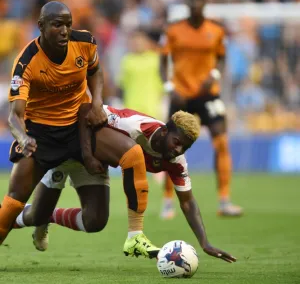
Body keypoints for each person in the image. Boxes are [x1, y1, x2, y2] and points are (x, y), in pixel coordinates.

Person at [15, 104, 237, 264]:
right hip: (70, 148)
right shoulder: (132, 125)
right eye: (177, 143)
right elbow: (85, 113)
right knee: (134, 154)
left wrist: (205, 243)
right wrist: (86, 154)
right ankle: (135, 236)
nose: (178, 150)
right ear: (165, 130)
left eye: (184, 148)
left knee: (94, 221)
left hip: (97, 162)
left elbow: (188, 202)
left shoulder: (176, 161)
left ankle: (48, 216)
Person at [0, 1, 107, 245]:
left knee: (97, 221)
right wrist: (23, 138)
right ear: (41, 26)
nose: (64, 31)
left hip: (77, 128)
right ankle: (38, 210)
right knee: (14, 200)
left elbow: (95, 71)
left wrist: (98, 101)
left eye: (68, 24)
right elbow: (14, 115)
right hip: (41, 135)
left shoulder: (85, 42)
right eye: (57, 25)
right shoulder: (26, 62)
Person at [159, 0, 242, 218]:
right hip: (181, 95)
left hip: (208, 95)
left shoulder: (216, 30)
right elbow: (162, 62)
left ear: (205, 1)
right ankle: (167, 201)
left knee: (222, 142)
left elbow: (222, 59)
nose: (195, 1)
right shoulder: (174, 30)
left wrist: (214, 75)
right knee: (169, 147)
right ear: (186, 1)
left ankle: (225, 200)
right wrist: (169, 87)